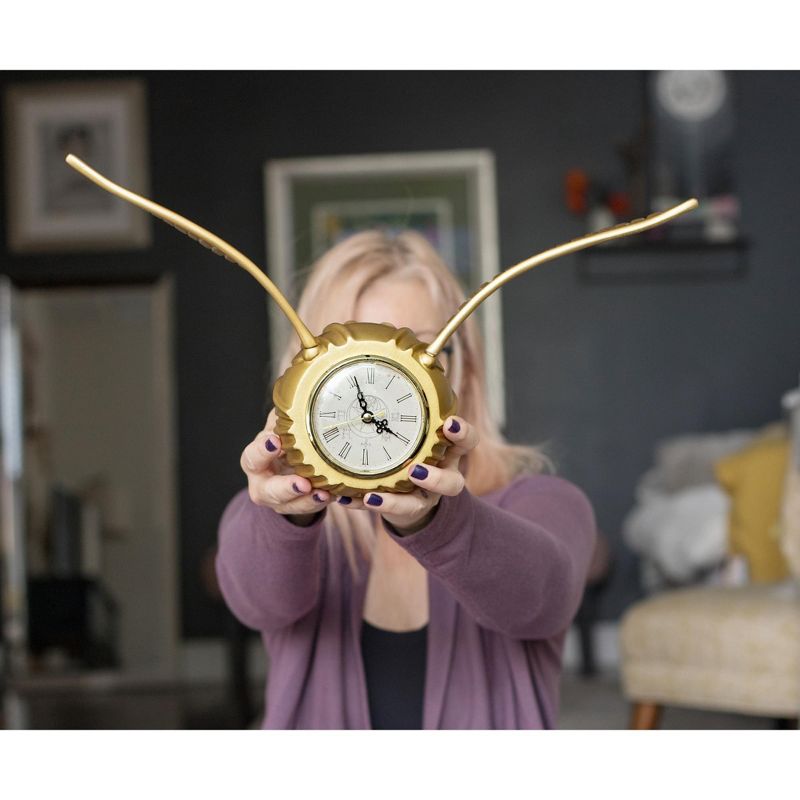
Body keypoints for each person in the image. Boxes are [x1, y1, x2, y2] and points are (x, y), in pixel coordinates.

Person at [215, 230, 596, 729]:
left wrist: (440, 523)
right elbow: (258, 603)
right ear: (306, 378)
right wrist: (286, 517)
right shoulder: (274, 514)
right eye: (356, 362)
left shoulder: (545, 502)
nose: (390, 382)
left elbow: (541, 600)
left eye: (419, 352)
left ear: (464, 370)